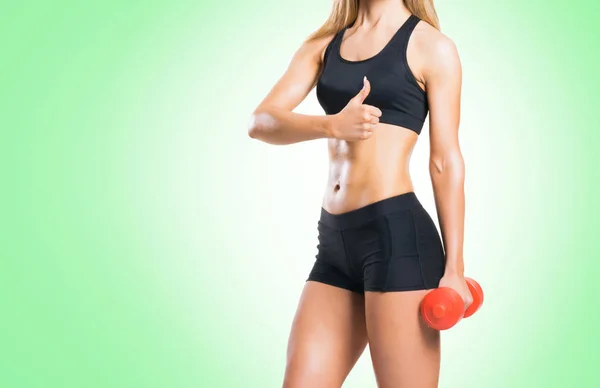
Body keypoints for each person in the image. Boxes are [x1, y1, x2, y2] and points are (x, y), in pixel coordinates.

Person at [248, 0, 472, 386]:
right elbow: (262, 121)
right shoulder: (323, 46)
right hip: (334, 244)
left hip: (397, 241)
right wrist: (332, 125)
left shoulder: (432, 47)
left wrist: (455, 270)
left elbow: (444, 162)